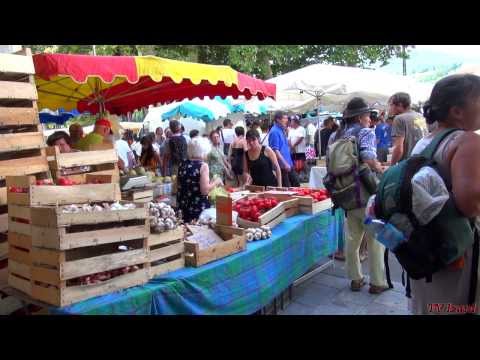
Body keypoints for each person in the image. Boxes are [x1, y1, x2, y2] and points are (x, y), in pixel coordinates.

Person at [405, 74, 480, 314]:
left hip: (425, 249)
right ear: (458, 111)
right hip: (456, 253)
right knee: (453, 307)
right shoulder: (467, 141)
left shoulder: (424, 143)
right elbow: (470, 204)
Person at [327, 97, 387, 294]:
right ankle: (377, 283)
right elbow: (369, 159)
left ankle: (355, 279)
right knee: (375, 240)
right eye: (368, 115)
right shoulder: (365, 132)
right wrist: (381, 168)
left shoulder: (335, 136)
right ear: (361, 117)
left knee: (352, 239)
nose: (370, 119)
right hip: (365, 191)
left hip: (344, 193)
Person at [177, 137, 223, 223]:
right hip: (197, 209)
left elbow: (181, 184)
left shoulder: (182, 164)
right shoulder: (203, 166)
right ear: (204, 151)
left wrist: (210, 182)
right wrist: (216, 182)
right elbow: (204, 191)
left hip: (183, 206)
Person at [389, 92, 427, 165]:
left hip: (408, 165)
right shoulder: (420, 116)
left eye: (391, 105)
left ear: (399, 105)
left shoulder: (399, 118)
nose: (390, 107)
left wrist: (392, 166)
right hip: (423, 162)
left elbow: (399, 148)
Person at [269, 111, 300, 187]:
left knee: (296, 184)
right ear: (278, 120)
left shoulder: (282, 130)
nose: (287, 120)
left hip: (288, 163)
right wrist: (285, 163)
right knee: (287, 187)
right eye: (285, 118)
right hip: (282, 165)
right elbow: (275, 150)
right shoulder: (274, 131)